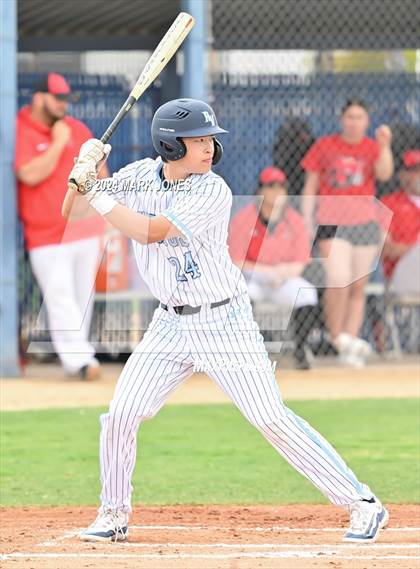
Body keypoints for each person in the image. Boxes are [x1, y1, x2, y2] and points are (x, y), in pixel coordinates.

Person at [62, 98, 388, 544]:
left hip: (223, 321)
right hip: (169, 324)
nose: (209, 147)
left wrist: (97, 193)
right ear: (169, 145)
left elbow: (150, 230)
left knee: (269, 416)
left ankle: (362, 504)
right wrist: (83, 172)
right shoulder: (139, 175)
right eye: (198, 140)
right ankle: (113, 514)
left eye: (209, 139)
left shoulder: (212, 190)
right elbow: (72, 213)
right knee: (121, 413)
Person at [15, 73, 108, 380]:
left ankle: (81, 358)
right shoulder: (21, 129)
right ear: (39, 97)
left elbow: (101, 172)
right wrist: (57, 144)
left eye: (65, 99)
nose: (62, 105)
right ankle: (80, 361)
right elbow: (28, 174)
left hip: (85, 230)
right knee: (60, 298)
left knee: (82, 300)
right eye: (57, 98)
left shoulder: (77, 128)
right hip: (45, 236)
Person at [301, 99, 393, 368]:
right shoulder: (324, 146)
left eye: (360, 117)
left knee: (357, 286)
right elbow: (310, 186)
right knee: (338, 278)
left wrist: (385, 145)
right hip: (332, 220)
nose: (354, 122)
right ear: (342, 119)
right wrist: (308, 222)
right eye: (350, 117)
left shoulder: (372, 147)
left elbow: (385, 174)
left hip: (364, 222)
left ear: (367, 121)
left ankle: (349, 343)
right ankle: (337, 336)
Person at [228, 166, 317, 369]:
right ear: (260, 191)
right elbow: (236, 261)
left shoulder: (295, 220)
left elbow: (300, 261)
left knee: (307, 293)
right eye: (270, 187)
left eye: (280, 187)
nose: (276, 192)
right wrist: (267, 273)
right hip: (253, 277)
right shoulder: (244, 218)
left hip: (283, 278)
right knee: (242, 293)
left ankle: (301, 350)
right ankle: (247, 351)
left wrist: (283, 274)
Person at [381, 149, 420, 295]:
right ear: (402, 175)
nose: (418, 175)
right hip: (402, 272)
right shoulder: (389, 203)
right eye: (414, 170)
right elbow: (386, 248)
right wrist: (415, 251)